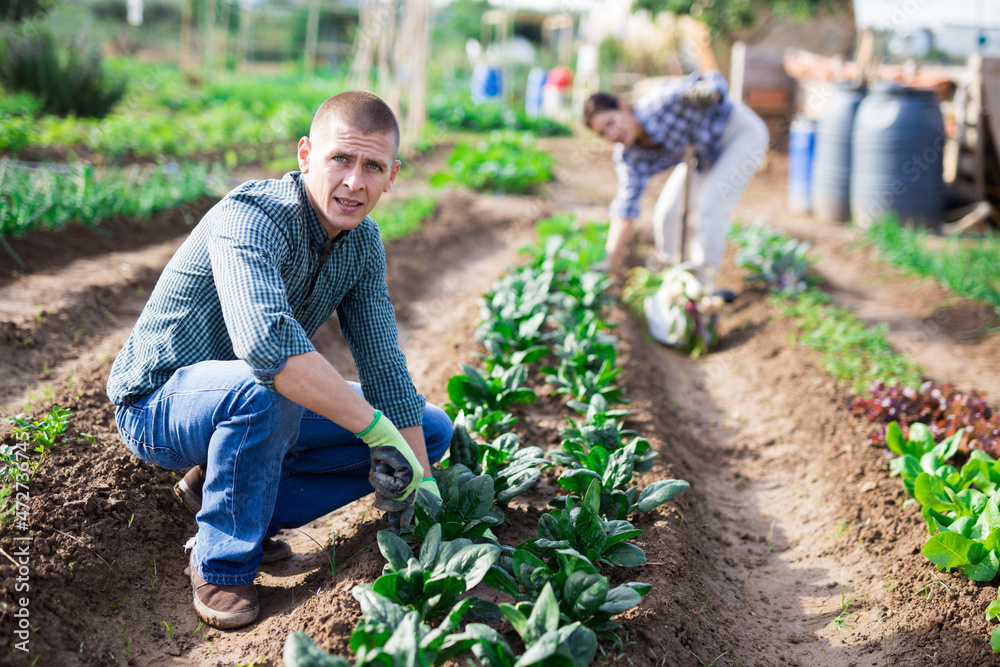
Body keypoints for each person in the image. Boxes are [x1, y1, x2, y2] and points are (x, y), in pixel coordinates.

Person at [105, 90, 451, 630]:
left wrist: (424, 488)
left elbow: (384, 368)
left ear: (392, 176)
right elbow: (269, 350)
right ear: (306, 155)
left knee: (428, 431)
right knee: (270, 387)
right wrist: (378, 434)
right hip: (158, 402)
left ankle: (219, 490)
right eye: (341, 159)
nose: (355, 182)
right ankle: (221, 562)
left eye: (373, 166)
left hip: (247, 397)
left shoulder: (361, 244)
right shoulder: (251, 217)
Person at [583, 71, 769, 285]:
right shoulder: (630, 157)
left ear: (622, 107)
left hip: (738, 133)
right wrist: (609, 260)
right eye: (603, 134)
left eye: (611, 122)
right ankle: (671, 277)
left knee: (710, 205)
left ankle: (702, 282)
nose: (612, 133)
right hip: (703, 152)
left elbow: (713, 81)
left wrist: (707, 92)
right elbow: (625, 209)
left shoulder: (660, 103)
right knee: (667, 213)